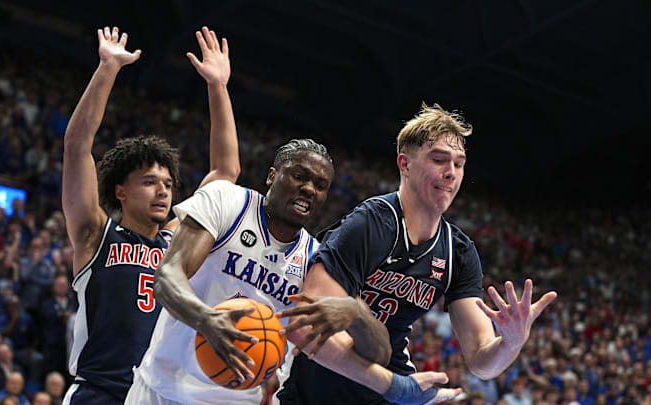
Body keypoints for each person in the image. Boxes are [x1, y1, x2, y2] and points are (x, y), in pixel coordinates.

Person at [125, 139, 457, 405]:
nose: (309, 188)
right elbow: (168, 275)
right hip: (157, 390)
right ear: (273, 175)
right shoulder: (228, 202)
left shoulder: (317, 260)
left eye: (320, 184)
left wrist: (357, 313)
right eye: (299, 176)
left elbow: (377, 354)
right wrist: (205, 319)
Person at [275, 103, 557, 404]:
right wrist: (390, 384)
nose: (451, 173)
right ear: (405, 165)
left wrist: (511, 344)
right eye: (439, 160)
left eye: (459, 164)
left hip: (386, 389)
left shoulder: (458, 252)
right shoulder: (371, 224)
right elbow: (303, 324)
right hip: (313, 393)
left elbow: (481, 361)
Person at [61, 25, 240, 405]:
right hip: (100, 393)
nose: (163, 189)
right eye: (148, 182)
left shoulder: (180, 238)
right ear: (120, 192)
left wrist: (218, 87)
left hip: (160, 396)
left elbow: (226, 174)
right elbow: (77, 147)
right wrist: (108, 67)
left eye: (167, 182)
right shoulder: (96, 234)